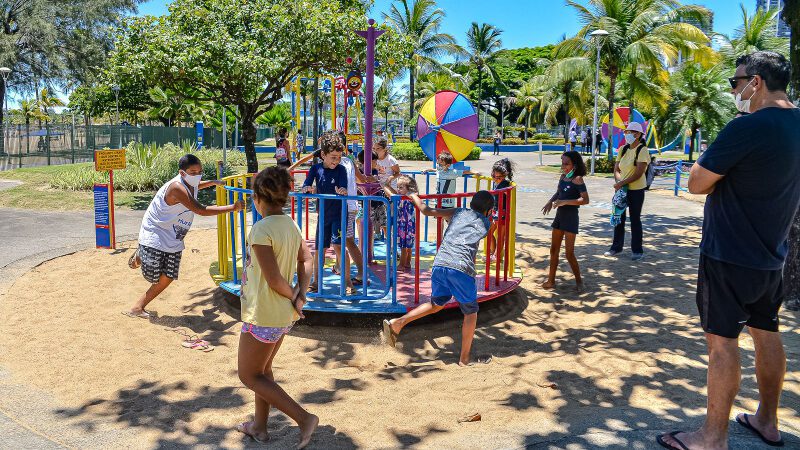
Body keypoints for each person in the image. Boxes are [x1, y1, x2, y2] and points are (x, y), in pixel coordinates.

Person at [657, 51, 800, 450]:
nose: (733, 90)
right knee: (767, 332)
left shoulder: (746, 127)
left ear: (756, 82)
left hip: (729, 253)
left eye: (736, 82)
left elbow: (697, 183)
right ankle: (768, 421)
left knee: (722, 343)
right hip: (773, 254)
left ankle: (712, 437)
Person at [236, 166, 318, 448]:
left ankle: (304, 417)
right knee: (263, 372)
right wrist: (301, 294)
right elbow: (307, 259)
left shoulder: (261, 229)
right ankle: (259, 427)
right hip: (282, 314)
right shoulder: (291, 224)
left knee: (248, 375)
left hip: (265, 314)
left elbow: (273, 280)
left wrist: (295, 295)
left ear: (258, 197)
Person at [382, 190, 494, 366]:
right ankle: (464, 358)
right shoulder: (486, 223)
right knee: (471, 312)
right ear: (488, 211)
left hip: (440, 263)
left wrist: (414, 197)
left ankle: (398, 323)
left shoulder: (458, 212)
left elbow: (427, 211)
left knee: (437, 304)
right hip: (461, 268)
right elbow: (483, 238)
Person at [125, 154, 244, 318]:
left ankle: (138, 307)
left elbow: (195, 186)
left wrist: (212, 183)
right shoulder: (176, 188)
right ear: (182, 173)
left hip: (175, 235)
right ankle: (141, 254)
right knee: (152, 275)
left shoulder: (190, 183)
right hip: (156, 231)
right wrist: (232, 207)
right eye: (193, 172)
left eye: (200, 171)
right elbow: (200, 210)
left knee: (168, 276)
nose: (197, 175)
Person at [301, 131, 352, 294]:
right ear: (323, 155)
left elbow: (343, 187)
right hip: (323, 215)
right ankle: (316, 281)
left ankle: (348, 281)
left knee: (339, 246)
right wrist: (307, 188)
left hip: (338, 214)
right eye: (333, 157)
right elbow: (306, 185)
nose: (336, 161)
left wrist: (342, 190)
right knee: (319, 249)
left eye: (338, 157)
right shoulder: (315, 169)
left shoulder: (341, 169)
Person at [541, 151, 589, 291]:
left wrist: (565, 202)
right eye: (562, 163)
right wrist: (550, 202)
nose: (564, 166)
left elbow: (585, 200)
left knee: (569, 253)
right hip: (560, 217)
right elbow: (558, 193)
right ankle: (551, 281)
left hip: (571, 218)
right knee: (553, 250)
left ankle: (579, 282)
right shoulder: (563, 177)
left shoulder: (578, 179)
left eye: (567, 163)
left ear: (575, 164)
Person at [604, 122, 650, 261]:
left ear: (637, 134)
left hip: (636, 190)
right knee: (618, 218)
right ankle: (616, 247)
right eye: (626, 132)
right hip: (622, 190)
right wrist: (619, 183)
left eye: (629, 132)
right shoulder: (623, 149)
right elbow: (617, 169)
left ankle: (637, 250)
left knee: (635, 219)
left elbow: (638, 173)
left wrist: (622, 183)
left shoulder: (642, 150)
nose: (627, 135)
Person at [382, 175, 418, 271]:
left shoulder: (409, 197)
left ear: (409, 188)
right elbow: (391, 193)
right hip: (406, 223)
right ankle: (407, 263)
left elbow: (390, 194)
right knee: (406, 244)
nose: (398, 189)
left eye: (401, 187)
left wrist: (385, 185)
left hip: (406, 224)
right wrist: (387, 184)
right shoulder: (402, 197)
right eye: (397, 187)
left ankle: (403, 264)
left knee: (404, 245)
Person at [487, 158, 515, 259]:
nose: (495, 179)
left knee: (501, 235)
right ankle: (493, 253)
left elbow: (508, 194)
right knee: (488, 231)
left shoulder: (505, 184)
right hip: (495, 211)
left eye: (498, 177)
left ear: (504, 175)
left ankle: (496, 256)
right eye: (493, 176)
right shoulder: (496, 182)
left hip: (502, 212)